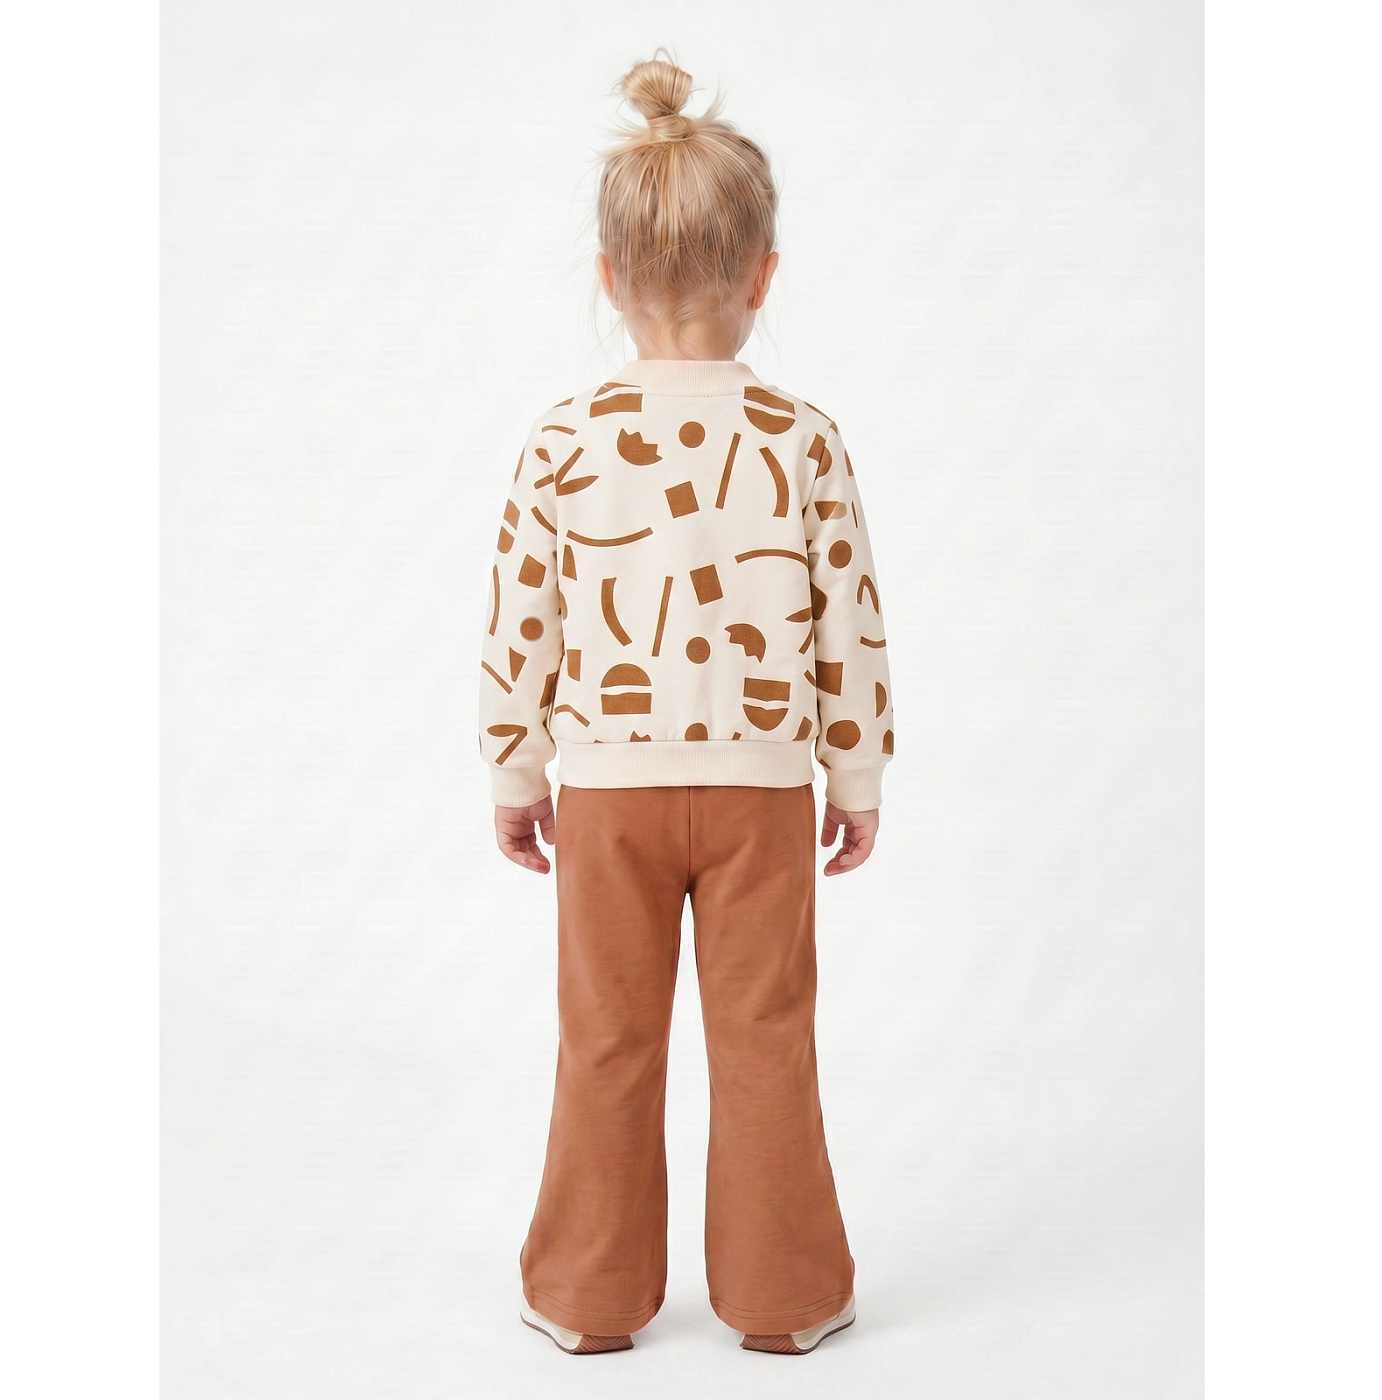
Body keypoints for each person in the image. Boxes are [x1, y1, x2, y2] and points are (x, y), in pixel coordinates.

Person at [477, 53, 893, 1357]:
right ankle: (786, 1299)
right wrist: (857, 779)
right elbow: (851, 621)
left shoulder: (564, 439)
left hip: (608, 796)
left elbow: (522, 622)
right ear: (762, 275)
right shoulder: (803, 439)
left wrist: (515, 776)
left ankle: (586, 1297)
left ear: (609, 279)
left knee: (605, 1040)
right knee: (766, 1041)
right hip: (761, 795)